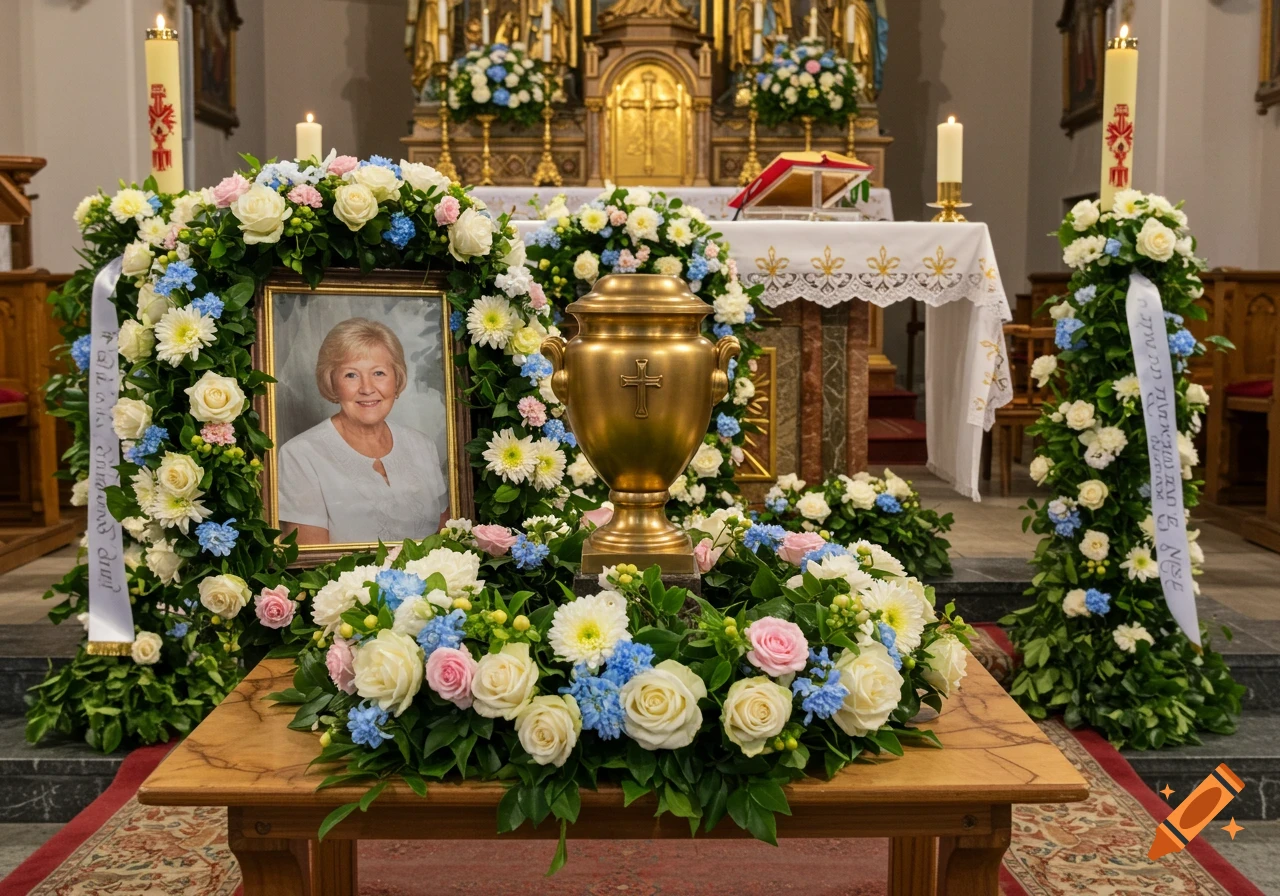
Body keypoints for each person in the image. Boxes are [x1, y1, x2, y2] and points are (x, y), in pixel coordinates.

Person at [278, 318, 448, 545]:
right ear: (332, 382)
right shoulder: (300, 455)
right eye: (351, 375)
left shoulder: (422, 446)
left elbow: (448, 541)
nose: (367, 388)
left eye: (378, 373)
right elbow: (310, 563)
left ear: (396, 378)